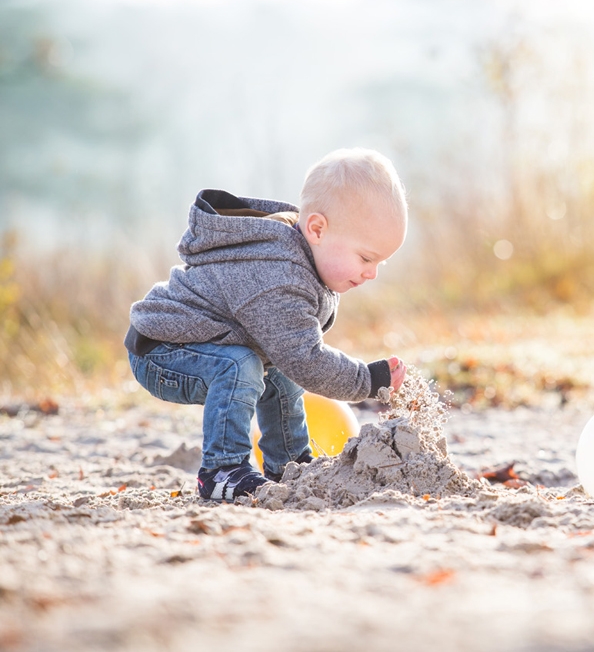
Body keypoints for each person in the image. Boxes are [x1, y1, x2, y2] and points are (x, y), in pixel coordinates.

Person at [124, 148, 408, 502]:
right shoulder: (278, 276)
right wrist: (369, 380)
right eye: (366, 258)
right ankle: (221, 470)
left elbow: (292, 360)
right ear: (317, 229)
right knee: (241, 365)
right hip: (161, 350)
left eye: (381, 261)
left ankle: (288, 463)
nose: (372, 272)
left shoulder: (304, 256)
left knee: (276, 370)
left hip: (203, 342)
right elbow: (307, 359)